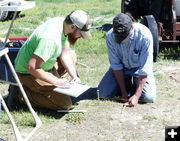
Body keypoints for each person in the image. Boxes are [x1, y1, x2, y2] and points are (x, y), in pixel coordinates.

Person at [7, 10, 92, 110]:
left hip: (43, 65)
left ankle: (46, 86)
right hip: (27, 73)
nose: (81, 36)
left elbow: (65, 54)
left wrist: (74, 76)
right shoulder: (50, 40)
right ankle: (20, 94)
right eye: (81, 33)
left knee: (71, 55)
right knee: (64, 104)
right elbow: (31, 67)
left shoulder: (63, 23)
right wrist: (57, 81)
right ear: (73, 26)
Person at [98, 13, 156, 107]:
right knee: (103, 94)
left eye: (125, 37)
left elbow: (145, 67)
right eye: (119, 38)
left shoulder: (145, 36)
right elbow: (116, 65)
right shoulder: (110, 36)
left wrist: (137, 96)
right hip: (122, 68)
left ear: (132, 28)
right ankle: (127, 85)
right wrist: (123, 92)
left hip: (139, 69)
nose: (122, 41)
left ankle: (135, 88)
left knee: (149, 97)